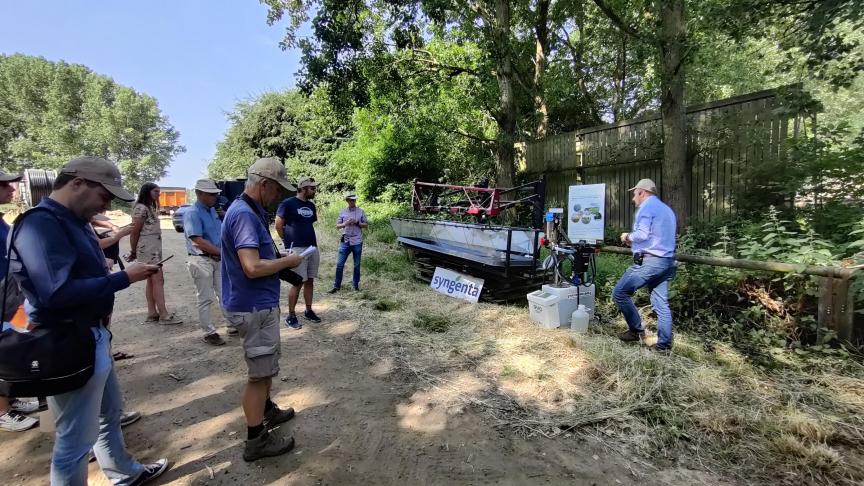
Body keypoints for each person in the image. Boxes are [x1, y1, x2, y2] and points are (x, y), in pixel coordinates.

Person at [9, 156, 169, 484]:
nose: (106, 204)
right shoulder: (42, 224)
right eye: (104, 195)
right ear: (77, 183)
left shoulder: (74, 220)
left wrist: (100, 273)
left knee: (108, 414)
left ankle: (124, 473)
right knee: (73, 441)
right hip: (67, 342)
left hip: (91, 336)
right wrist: (125, 278)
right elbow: (55, 292)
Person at [221, 157, 303, 461]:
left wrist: (281, 263)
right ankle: (256, 441)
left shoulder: (249, 211)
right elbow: (252, 267)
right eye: (277, 189)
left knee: (264, 368)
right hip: (253, 306)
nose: (279, 196)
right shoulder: (244, 215)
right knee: (258, 376)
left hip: (256, 304)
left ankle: (267, 411)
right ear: (264, 184)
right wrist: (288, 262)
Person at [612, 178, 677, 353]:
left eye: (634, 194)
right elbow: (656, 236)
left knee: (619, 292)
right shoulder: (667, 210)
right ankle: (664, 346)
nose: (633, 198)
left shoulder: (647, 207)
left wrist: (627, 237)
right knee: (661, 304)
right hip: (667, 262)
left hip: (650, 262)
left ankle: (636, 331)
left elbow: (641, 234)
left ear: (642, 192)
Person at [0, 169, 41, 433]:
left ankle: (10, 399)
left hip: (10, 292)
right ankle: (2, 411)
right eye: (4, 185)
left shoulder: (2, 221)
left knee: (14, 342)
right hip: (2, 294)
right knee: (3, 346)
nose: (12, 189)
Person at [184, 179, 235, 346]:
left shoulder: (212, 211)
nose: (215, 197)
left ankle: (232, 324)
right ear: (199, 193)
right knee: (205, 298)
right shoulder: (193, 212)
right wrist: (221, 252)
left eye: (215, 194)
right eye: (211, 194)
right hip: (201, 259)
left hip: (216, 259)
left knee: (224, 292)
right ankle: (209, 332)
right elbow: (197, 240)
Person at [128, 183, 181, 325]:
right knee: (158, 279)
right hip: (148, 249)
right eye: (156, 191)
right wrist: (133, 251)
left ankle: (152, 313)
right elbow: (135, 231)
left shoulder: (150, 207)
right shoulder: (141, 208)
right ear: (147, 192)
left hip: (153, 247)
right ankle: (163, 314)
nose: (159, 194)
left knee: (152, 280)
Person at [275, 176, 321, 330]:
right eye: (312, 188)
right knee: (298, 281)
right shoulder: (287, 203)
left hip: (312, 247)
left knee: (310, 280)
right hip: (297, 248)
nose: (314, 191)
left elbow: (308, 224)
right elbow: (278, 224)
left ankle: (308, 310)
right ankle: (291, 315)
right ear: (303, 188)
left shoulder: (311, 205)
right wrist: (287, 243)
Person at [328, 192, 368, 293]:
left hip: (357, 241)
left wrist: (357, 222)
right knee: (340, 264)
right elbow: (337, 226)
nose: (352, 201)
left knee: (356, 265)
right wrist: (345, 223)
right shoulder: (343, 212)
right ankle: (336, 286)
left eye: (354, 200)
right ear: (347, 201)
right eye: (350, 200)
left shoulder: (361, 211)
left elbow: (366, 225)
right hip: (345, 241)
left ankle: (355, 286)